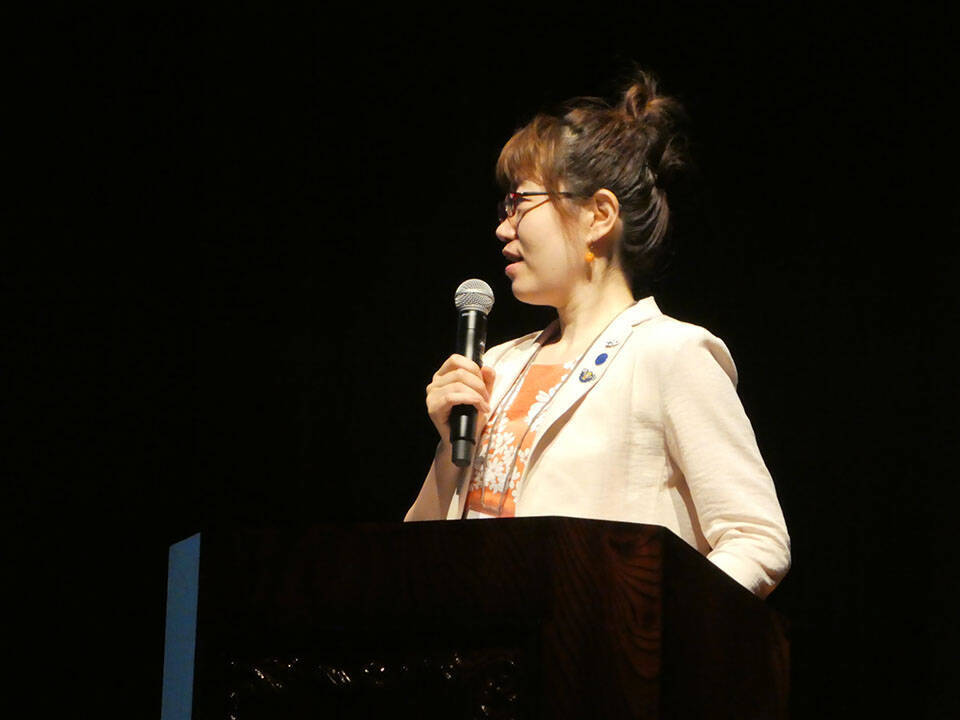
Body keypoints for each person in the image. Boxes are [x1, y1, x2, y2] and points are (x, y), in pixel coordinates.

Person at [404, 70, 790, 598]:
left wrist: (647, 626)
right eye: (504, 207)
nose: (503, 226)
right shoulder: (496, 365)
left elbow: (756, 538)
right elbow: (416, 557)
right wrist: (449, 447)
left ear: (598, 215)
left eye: (520, 202)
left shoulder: (669, 353)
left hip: (601, 646)